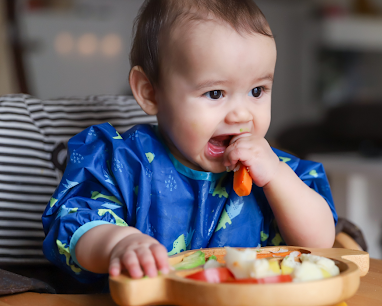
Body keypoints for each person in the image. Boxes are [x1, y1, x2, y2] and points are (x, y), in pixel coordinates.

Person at [42, 0, 337, 284]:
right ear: (150, 93)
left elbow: (321, 243)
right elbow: (75, 228)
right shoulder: (122, 163)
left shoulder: (277, 172)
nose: (242, 114)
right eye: (215, 93)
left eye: (257, 91)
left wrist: (276, 177)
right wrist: (120, 244)